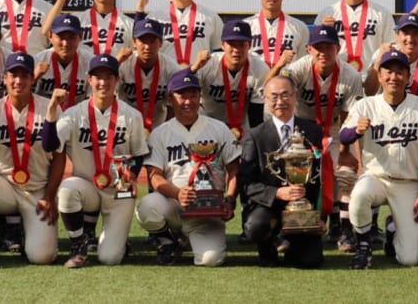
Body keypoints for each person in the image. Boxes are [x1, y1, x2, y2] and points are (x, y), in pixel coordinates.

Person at [266, 25, 364, 251]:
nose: (323, 53)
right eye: (318, 48)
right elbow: (274, 93)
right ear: (309, 49)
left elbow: (350, 116)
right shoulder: (297, 70)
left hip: (334, 133)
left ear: (337, 49)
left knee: (345, 175)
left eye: (328, 47)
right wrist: (280, 65)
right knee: (290, 176)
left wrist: (346, 152)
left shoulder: (350, 75)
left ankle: (343, 229)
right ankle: (288, 226)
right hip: (300, 136)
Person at [339, 50, 418, 269]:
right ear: (380, 76)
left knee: (409, 259)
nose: (394, 77)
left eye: (399, 72)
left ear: (408, 77)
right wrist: (356, 131)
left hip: (408, 183)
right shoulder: (365, 105)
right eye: (389, 72)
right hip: (376, 177)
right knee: (358, 196)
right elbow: (343, 135)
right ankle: (363, 245)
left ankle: (393, 230)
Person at [0, 52, 63, 267]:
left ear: (32, 78)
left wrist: (50, 196)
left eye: (24, 75)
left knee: (42, 257)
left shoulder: (50, 107)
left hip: (38, 190)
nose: (19, 81)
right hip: (4, 186)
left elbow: (59, 157)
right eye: (13, 75)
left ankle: (25, 231)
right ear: (4, 78)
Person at [52, 54, 150, 267]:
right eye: (98, 77)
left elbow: (139, 153)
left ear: (117, 80)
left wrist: (132, 174)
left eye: (109, 77)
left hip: (119, 191)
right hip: (88, 186)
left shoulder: (132, 115)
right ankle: (79, 246)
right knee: (68, 189)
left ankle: (119, 241)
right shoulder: (73, 114)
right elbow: (50, 145)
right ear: (89, 80)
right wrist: (52, 113)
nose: (103, 82)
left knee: (110, 258)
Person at [137, 69, 240, 266]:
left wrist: (229, 200)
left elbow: (234, 170)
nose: (188, 101)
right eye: (181, 96)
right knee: (148, 206)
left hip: (209, 210)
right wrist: (178, 194)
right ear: (170, 100)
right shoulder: (160, 133)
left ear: (200, 97)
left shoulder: (218, 128)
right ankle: (168, 240)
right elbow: (155, 177)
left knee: (210, 260)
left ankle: (187, 239)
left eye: (193, 95)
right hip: (175, 205)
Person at [366, 13, 418, 251]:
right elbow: (368, 91)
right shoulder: (382, 54)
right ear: (397, 35)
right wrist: (376, 63)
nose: (409, 38)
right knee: (377, 170)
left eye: (415, 33)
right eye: (405, 32)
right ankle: (371, 226)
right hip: (382, 121)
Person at [239, 75, 325, 268]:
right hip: (269, 207)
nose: (280, 102)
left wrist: (318, 215)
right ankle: (268, 245)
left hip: (302, 208)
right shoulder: (254, 136)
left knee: (310, 261)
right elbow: (245, 184)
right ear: (265, 100)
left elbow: (320, 178)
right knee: (256, 226)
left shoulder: (313, 132)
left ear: (295, 97)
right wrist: (277, 193)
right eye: (274, 96)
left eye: (286, 95)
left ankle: (293, 243)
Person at [314, 0, 395, 75]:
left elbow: (391, 47)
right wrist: (323, 32)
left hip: (372, 79)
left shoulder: (381, 13)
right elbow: (313, 53)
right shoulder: (327, 14)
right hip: (338, 81)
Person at [193, 19, 269, 140]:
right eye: (232, 44)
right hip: (207, 124)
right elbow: (184, 89)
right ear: (222, 45)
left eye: (241, 44)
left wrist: (256, 142)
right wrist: (194, 68)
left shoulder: (260, 68)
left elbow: (256, 114)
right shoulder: (207, 64)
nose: (236, 50)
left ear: (249, 45)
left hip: (242, 129)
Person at [44, 0, 136, 58]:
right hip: (82, 72)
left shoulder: (129, 24)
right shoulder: (78, 20)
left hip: (116, 72)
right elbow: (47, 31)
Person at [146, 0, 223, 69]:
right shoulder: (155, 17)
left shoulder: (211, 17)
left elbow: (220, 54)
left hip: (198, 80)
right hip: (164, 80)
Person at [118, 18, 179, 132]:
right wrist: (116, 62)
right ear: (134, 42)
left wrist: (167, 130)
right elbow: (107, 90)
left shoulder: (170, 67)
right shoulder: (124, 64)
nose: (147, 46)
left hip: (159, 127)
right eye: (143, 41)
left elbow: (175, 104)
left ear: (161, 42)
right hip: (125, 127)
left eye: (152, 41)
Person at [245, 0, 310, 69]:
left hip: (287, 81)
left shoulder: (299, 27)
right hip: (254, 83)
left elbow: (304, 64)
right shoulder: (246, 26)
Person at [31, 13, 92, 110]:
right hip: (43, 116)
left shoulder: (90, 62)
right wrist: (33, 79)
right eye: (60, 37)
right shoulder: (38, 60)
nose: (65, 43)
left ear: (80, 37)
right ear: (50, 36)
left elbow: (94, 102)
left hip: (79, 118)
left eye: (71, 37)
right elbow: (24, 99)